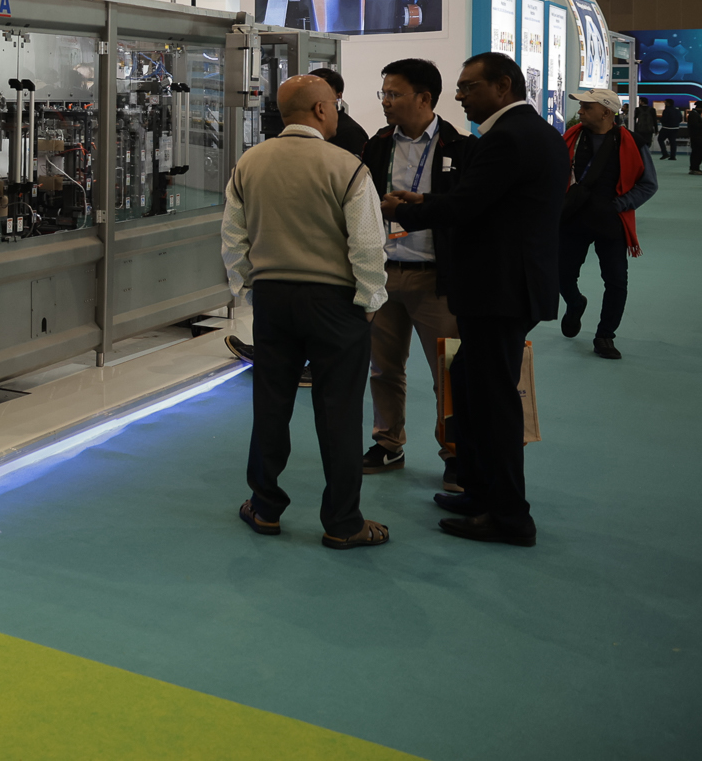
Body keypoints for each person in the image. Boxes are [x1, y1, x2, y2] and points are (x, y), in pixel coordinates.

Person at [384, 52, 567, 547]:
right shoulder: (534, 133)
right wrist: (426, 202)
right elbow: (487, 202)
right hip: (509, 285)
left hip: (498, 290)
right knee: (467, 381)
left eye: (469, 86)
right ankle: (480, 491)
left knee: (493, 400)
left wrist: (405, 210)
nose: (459, 95)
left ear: (502, 86)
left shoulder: (506, 139)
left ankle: (508, 516)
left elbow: (467, 206)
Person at [220, 74, 390, 550]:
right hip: (335, 303)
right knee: (339, 413)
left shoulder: (250, 163)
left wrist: (251, 289)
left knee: (270, 405)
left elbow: (233, 237)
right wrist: (370, 301)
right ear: (320, 110)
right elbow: (368, 245)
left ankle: (264, 507)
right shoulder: (347, 167)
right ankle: (343, 522)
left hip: (273, 299)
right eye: (335, 104)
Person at [359, 58, 472, 492]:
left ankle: (456, 453)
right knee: (383, 369)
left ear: (424, 98)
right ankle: (388, 443)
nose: (385, 102)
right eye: (383, 93)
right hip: (383, 273)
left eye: (394, 94)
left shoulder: (459, 148)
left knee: (449, 371)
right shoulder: (377, 145)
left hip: (435, 279)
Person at [557, 90, 656, 360]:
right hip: (572, 219)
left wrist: (619, 205)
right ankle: (575, 303)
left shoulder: (632, 143)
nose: (580, 111)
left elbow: (648, 184)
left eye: (586, 107)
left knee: (616, 281)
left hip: (611, 222)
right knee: (561, 274)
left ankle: (605, 335)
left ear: (606, 112)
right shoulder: (571, 138)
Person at [309, 67, 370, 156]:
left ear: (338, 96)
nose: (313, 96)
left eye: (321, 91)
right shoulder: (309, 124)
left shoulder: (351, 132)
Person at [689, 100, 702, 175]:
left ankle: (695, 168)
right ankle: (694, 168)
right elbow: (694, 125)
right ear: (701, 108)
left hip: (698, 136)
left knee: (698, 153)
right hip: (697, 137)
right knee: (697, 153)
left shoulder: (696, 114)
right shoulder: (694, 115)